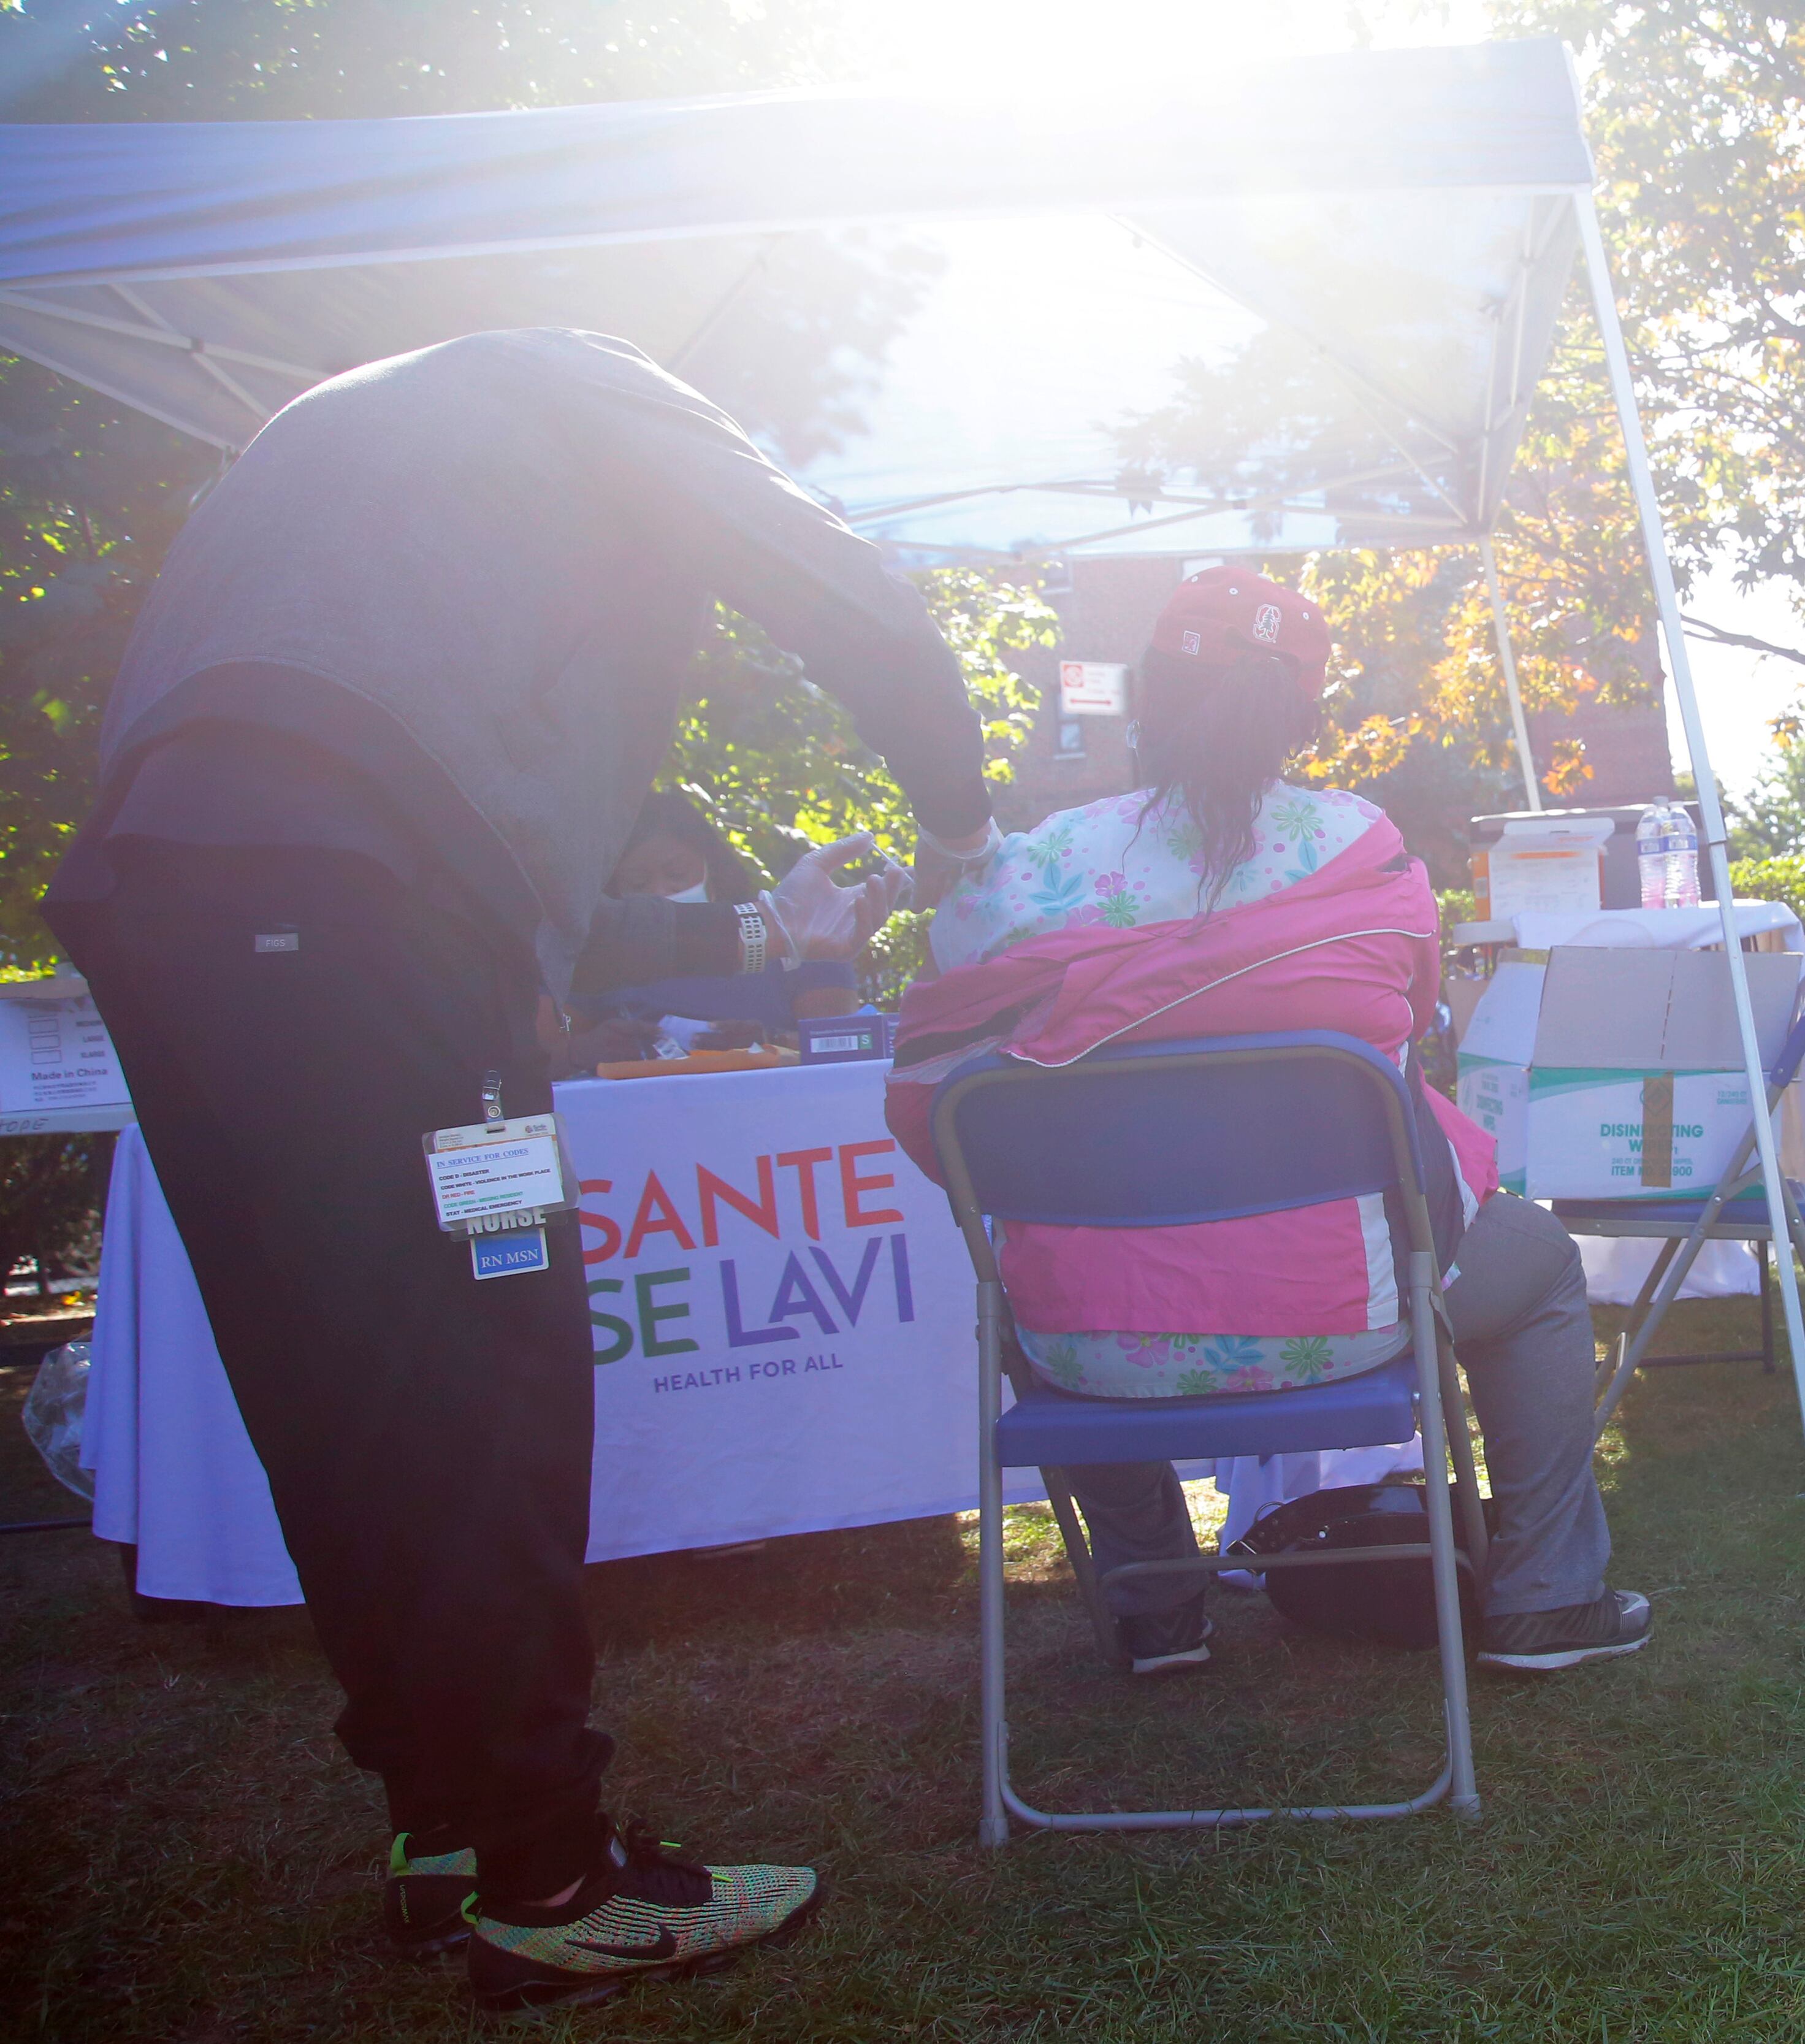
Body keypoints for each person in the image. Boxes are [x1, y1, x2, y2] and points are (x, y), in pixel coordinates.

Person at [44, 329, 994, 2011]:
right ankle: (552, 1870)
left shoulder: (344, 421)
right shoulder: (597, 386)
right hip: (363, 908)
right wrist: (961, 815)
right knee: (502, 1344)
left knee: (328, 1366)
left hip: (158, 911)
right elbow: (841, 584)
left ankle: (445, 1817)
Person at [885, 567, 1650, 1677]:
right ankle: (1545, 1598)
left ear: (1144, 698)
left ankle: (1156, 1600)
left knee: (1055, 1265)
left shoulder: (1029, 872)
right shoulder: (1362, 852)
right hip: (1349, 1314)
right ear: (1305, 713)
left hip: (1088, 1344)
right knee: (1534, 1258)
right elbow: (1410, 1017)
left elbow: (945, 1075)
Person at [563, 790, 864, 1070]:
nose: (660, 892)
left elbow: (848, 1048)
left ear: (712, 864)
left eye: (677, 874)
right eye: (638, 884)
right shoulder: (597, 947)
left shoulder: (794, 934)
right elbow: (540, 1055)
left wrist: (770, 1042)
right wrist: (586, 1049)